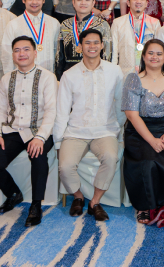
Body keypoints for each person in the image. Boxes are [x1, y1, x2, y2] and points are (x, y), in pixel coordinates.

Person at [52, 28, 123, 222]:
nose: (92, 46)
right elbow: (62, 111)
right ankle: (78, 197)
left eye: (96, 42)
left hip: (105, 131)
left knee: (111, 157)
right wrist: (58, 142)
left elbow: (120, 103)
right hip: (76, 131)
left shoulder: (115, 71)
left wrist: (117, 129)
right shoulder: (69, 75)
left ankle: (95, 202)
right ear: (80, 47)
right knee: (65, 166)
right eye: (87, 43)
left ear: (102, 46)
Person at [0, 36, 58, 228]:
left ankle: (36, 205)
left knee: (38, 156)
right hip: (13, 130)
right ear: (13, 55)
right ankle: (13, 193)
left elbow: (51, 111)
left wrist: (40, 138)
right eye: (17, 50)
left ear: (35, 53)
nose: (22, 54)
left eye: (26, 49)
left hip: (38, 129)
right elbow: (0, 110)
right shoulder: (6, 79)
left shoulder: (47, 77)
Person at [122, 39, 164, 226]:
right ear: (143, 56)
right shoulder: (134, 79)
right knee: (148, 161)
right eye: (150, 53)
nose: (154, 57)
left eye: (159, 54)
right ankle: (143, 205)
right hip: (140, 131)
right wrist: (152, 140)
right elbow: (132, 115)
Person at [54, 0, 113, 77]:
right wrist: (59, 77)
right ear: (73, 2)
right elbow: (59, 54)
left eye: (87, 0)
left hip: (95, 72)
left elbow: (107, 53)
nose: (83, 3)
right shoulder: (65, 24)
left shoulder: (102, 25)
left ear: (93, 3)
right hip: (70, 73)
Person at [5, 0, 59, 72]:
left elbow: (57, 52)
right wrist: (10, 77)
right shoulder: (13, 24)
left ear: (44, 0)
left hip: (48, 74)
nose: (34, 2)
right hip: (22, 75)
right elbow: (7, 54)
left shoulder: (54, 23)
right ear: (23, 0)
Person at [111, 0, 162, 77]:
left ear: (146, 3)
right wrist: (113, 74)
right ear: (128, 3)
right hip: (125, 74)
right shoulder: (117, 23)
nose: (138, 1)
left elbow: (159, 51)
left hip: (148, 74)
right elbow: (114, 52)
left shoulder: (155, 23)